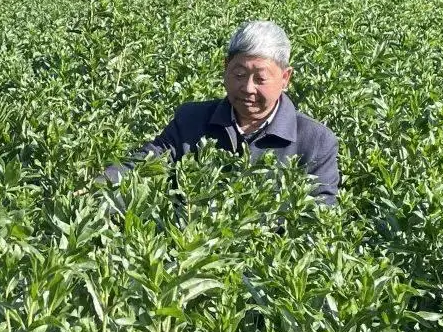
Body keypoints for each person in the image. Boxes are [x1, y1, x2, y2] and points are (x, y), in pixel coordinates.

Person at [100, 20, 339, 205]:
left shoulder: (315, 141)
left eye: (260, 78)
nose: (247, 88)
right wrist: (100, 186)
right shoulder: (191, 120)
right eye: (239, 75)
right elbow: (146, 162)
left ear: (285, 78)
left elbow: (317, 217)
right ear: (225, 69)